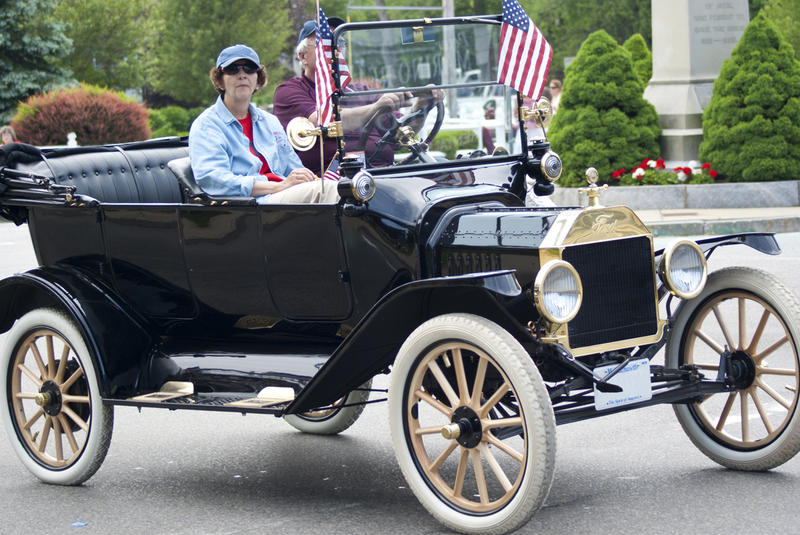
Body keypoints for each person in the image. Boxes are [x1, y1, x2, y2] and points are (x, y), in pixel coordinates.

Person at [273, 19, 442, 171]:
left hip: (384, 174)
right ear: (303, 57)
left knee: (446, 168)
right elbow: (324, 121)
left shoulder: (361, 91)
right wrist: (376, 108)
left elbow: (400, 135)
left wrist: (422, 105)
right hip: (335, 182)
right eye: (324, 43)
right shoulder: (290, 90)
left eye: (340, 42)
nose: (335, 48)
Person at [189, 44, 338, 204]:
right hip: (250, 206)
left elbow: (293, 166)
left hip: (283, 197)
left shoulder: (269, 121)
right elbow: (214, 180)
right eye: (233, 69)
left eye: (249, 68)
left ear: (258, 80)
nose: (242, 75)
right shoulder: (207, 126)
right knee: (328, 190)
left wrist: (307, 179)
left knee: (349, 188)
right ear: (220, 81)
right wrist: (278, 186)